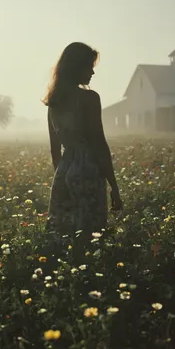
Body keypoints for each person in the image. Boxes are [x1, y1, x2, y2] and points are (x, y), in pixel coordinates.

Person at [42, 42, 123, 239]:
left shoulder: (54, 103)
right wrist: (114, 186)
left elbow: (55, 152)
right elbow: (98, 144)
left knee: (64, 233)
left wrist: (63, 181)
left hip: (64, 170)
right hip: (88, 170)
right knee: (91, 233)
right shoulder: (89, 98)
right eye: (90, 67)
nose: (92, 73)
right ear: (76, 67)